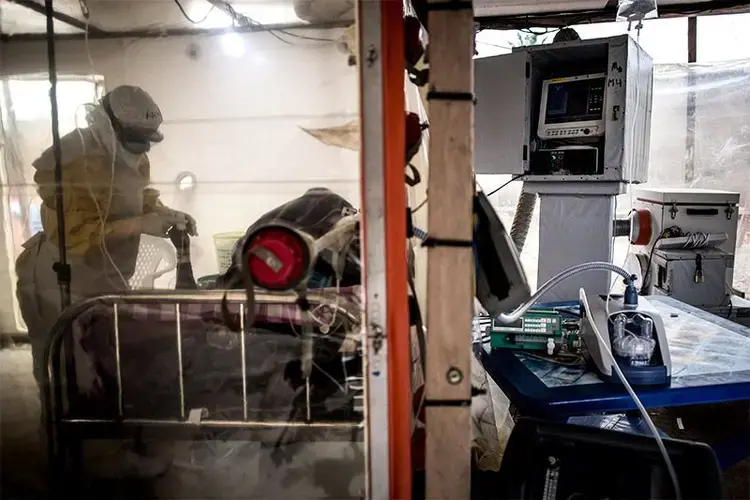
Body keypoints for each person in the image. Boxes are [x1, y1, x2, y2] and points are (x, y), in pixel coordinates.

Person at [15, 86, 196, 473]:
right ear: (107, 124)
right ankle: (62, 459)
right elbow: (75, 237)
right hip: (56, 280)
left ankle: (120, 451)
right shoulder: (71, 159)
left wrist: (165, 213)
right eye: (135, 139)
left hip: (103, 278)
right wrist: (139, 226)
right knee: (61, 373)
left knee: (109, 364)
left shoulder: (130, 153)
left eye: (147, 141)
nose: (142, 149)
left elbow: (136, 196)